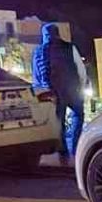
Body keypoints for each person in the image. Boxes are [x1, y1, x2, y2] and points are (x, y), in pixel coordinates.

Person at [31, 22, 89, 161]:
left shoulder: (38, 52)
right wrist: (81, 86)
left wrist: (41, 93)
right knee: (78, 115)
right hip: (72, 89)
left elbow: (36, 76)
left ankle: (63, 152)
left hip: (53, 92)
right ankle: (75, 146)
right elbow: (80, 69)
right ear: (57, 33)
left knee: (59, 122)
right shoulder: (69, 48)